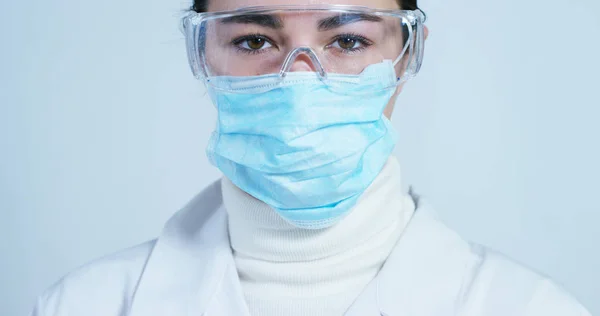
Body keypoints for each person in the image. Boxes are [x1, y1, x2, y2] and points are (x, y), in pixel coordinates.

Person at [31, 0, 591, 315]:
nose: (299, 80)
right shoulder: (82, 305)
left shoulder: (532, 308)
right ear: (202, 53)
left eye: (347, 42)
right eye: (254, 40)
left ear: (406, 54)